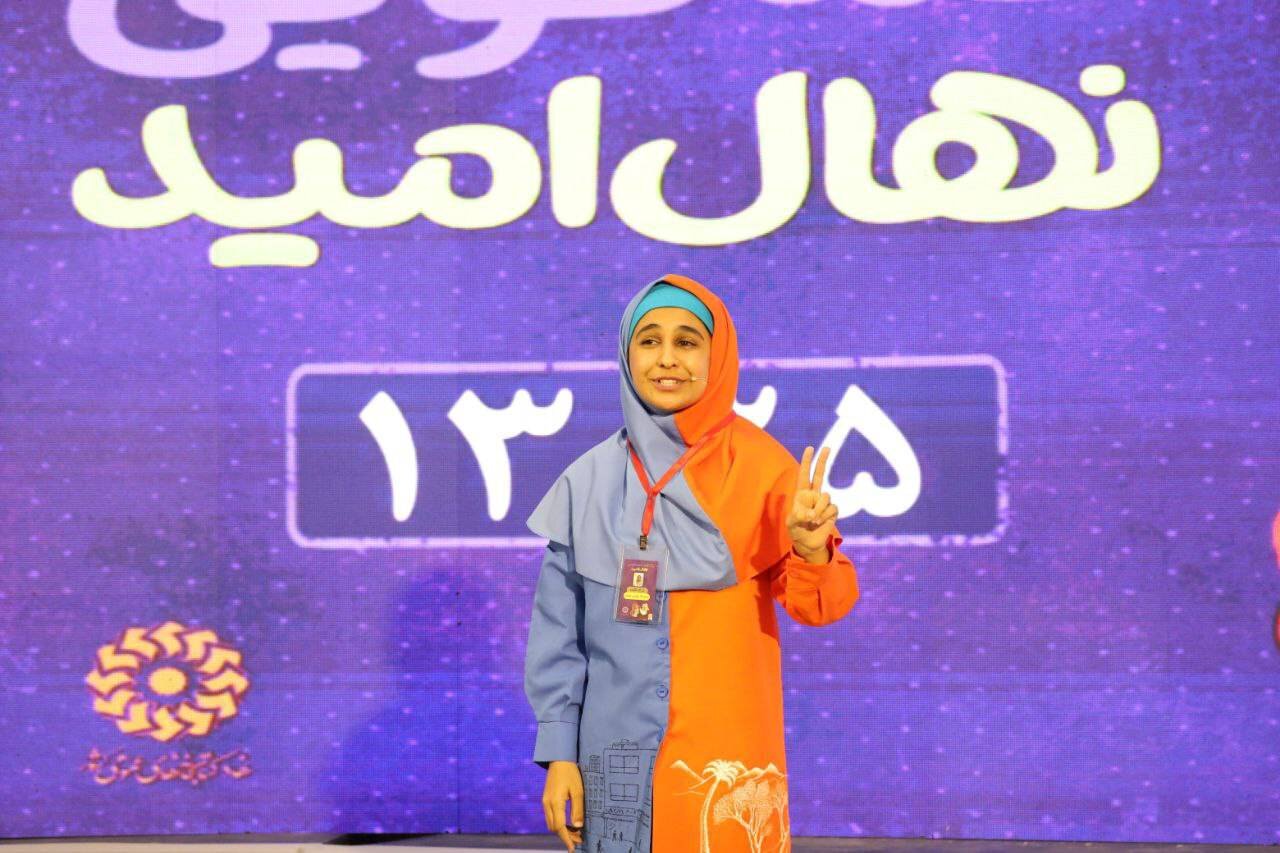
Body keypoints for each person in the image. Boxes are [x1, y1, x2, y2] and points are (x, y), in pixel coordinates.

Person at [524, 274, 859, 853]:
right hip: (614, 757)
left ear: (717, 354)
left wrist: (810, 550)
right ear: (626, 354)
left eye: (687, 341)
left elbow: (821, 608)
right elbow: (558, 637)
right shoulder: (587, 481)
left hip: (724, 760)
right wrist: (559, 752)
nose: (667, 359)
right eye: (649, 340)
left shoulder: (764, 469)